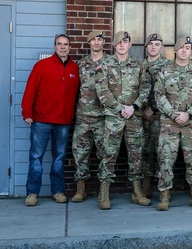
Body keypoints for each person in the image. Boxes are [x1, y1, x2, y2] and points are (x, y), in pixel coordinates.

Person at [94, 30, 151, 209]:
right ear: (114, 45)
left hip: (134, 117)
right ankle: (104, 193)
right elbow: (102, 91)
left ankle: (137, 191)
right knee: (109, 154)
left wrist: (133, 107)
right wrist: (120, 108)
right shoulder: (105, 65)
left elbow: (145, 89)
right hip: (113, 118)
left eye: (125, 42)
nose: (122, 45)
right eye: (119, 42)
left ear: (130, 45)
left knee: (136, 154)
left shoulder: (139, 65)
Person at [21, 34, 80, 206]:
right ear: (54, 47)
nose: (62, 47)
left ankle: (58, 191)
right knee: (36, 156)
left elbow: (77, 95)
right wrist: (27, 112)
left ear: (70, 47)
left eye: (66, 44)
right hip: (41, 120)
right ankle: (32, 193)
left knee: (59, 157)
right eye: (59, 44)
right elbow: (30, 90)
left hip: (63, 122)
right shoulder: (42, 66)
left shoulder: (74, 69)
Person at [154, 36, 192, 211]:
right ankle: (164, 195)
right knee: (166, 159)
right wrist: (172, 113)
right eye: (182, 47)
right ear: (175, 51)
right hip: (169, 124)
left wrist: (188, 114)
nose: (185, 50)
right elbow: (159, 95)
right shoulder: (165, 71)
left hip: (190, 123)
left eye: (188, 47)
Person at [71, 30, 108, 203]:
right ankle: (81, 189)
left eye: (99, 39)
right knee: (80, 154)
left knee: (105, 154)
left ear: (103, 42)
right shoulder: (81, 64)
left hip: (102, 117)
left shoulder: (110, 63)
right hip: (83, 116)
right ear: (89, 42)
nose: (96, 42)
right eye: (93, 39)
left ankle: (103, 191)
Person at [141, 33, 169, 202]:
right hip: (141, 115)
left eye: (157, 44)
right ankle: (146, 185)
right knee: (145, 151)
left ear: (162, 47)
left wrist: (153, 108)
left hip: (161, 116)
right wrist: (144, 108)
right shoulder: (139, 66)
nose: (153, 47)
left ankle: (162, 188)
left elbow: (170, 92)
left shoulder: (167, 66)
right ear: (146, 47)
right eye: (151, 44)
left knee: (162, 152)